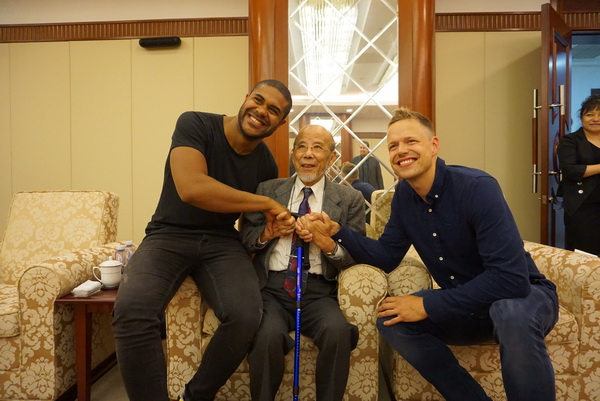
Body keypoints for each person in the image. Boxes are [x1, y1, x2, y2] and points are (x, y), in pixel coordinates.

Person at [298, 107, 559, 401]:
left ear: (434, 146)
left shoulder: (477, 188)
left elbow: (510, 280)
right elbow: (385, 256)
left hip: (525, 298)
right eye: (393, 146)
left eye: (411, 141)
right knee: (392, 319)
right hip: (469, 306)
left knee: (507, 310)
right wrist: (337, 231)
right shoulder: (403, 198)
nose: (401, 151)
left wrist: (428, 305)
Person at [112, 79, 293, 401]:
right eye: (258, 100)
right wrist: (266, 202)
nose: (261, 111)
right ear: (246, 97)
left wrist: (266, 235)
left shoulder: (266, 163)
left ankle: (194, 397)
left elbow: (248, 226)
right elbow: (191, 188)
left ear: (280, 123)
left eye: (273, 110)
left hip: (222, 242)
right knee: (131, 310)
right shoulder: (195, 123)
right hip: (169, 233)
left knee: (246, 315)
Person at [240, 125, 365, 401]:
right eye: (302, 147)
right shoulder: (267, 190)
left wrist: (327, 244)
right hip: (272, 290)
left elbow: (358, 256)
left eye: (318, 147)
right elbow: (246, 239)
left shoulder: (349, 199)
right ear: (293, 154)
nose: (308, 154)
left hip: (319, 292)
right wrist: (268, 233)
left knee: (337, 333)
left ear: (332, 157)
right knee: (266, 337)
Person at [557, 94, 600, 255]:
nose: (595, 119)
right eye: (590, 114)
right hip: (582, 206)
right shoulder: (570, 141)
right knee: (584, 254)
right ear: (581, 118)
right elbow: (570, 170)